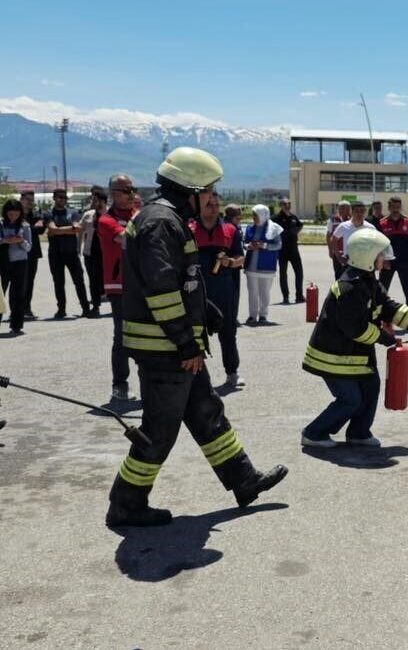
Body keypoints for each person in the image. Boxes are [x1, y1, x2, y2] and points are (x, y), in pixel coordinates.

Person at [106, 146, 287, 528]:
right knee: (159, 429)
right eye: (207, 190)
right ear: (190, 190)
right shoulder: (161, 222)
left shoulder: (166, 218)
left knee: (206, 412)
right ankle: (126, 502)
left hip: (175, 346)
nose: (210, 197)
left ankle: (244, 480)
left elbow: (178, 281)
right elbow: (161, 290)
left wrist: (204, 312)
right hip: (166, 349)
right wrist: (185, 341)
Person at [300, 228, 408, 449]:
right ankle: (314, 433)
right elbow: (356, 329)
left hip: (354, 354)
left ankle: (359, 433)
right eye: (380, 254)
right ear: (368, 257)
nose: (384, 258)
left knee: (371, 387)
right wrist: (386, 338)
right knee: (351, 399)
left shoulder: (367, 280)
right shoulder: (349, 287)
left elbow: (389, 307)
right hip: (333, 356)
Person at [190, 192, 245, 386]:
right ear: (200, 206)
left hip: (224, 289)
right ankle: (195, 376)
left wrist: (230, 262)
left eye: (216, 205)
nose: (214, 209)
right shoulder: (189, 229)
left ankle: (232, 372)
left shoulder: (230, 229)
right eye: (209, 205)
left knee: (228, 333)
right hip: (196, 291)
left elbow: (241, 258)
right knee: (195, 335)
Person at [98, 175, 139, 401]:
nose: (132, 194)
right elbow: (126, 239)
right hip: (119, 286)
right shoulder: (106, 220)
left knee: (147, 334)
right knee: (122, 336)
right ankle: (119, 384)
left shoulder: (137, 214)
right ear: (114, 193)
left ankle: (150, 382)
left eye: (133, 189)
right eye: (127, 190)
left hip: (141, 284)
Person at [46, 188, 90, 319]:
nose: (62, 200)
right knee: (59, 283)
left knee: (79, 281)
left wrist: (60, 230)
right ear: (54, 198)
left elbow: (78, 228)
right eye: (60, 197)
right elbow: (52, 229)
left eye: (64, 197)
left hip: (71, 252)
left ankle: (86, 308)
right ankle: (61, 309)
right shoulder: (49, 213)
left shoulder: (73, 212)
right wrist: (70, 229)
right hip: (56, 253)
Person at [243, 204, 282, 325]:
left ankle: (263, 315)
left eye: (256, 215)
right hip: (251, 267)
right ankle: (252, 316)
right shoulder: (249, 228)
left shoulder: (274, 228)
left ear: (262, 215)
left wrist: (264, 245)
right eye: (253, 215)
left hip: (267, 267)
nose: (253, 218)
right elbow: (244, 242)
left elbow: (278, 245)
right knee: (252, 293)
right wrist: (248, 246)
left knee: (264, 293)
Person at [0, 199, 33, 335]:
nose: (13, 217)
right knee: (0, 294)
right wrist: (5, 240)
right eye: (10, 214)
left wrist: (21, 241)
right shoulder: (1, 224)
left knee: (18, 294)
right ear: (5, 213)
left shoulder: (25, 226)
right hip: (3, 262)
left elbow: (29, 247)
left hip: (20, 262)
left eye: (16, 214)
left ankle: (16, 324)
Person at [378, 196, 408, 308]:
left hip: (405, 261)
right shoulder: (382, 223)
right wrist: (382, 259)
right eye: (393, 207)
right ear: (389, 207)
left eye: (398, 207)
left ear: (401, 207)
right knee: (382, 291)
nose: (395, 209)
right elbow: (378, 242)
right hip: (387, 262)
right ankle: (379, 316)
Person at [80, 185, 107, 317]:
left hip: (106, 254)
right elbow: (80, 230)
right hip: (90, 253)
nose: (94, 203)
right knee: (93, 280)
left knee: (106, 280)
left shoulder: (110, 215)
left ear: (103, 202)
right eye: (93, 200)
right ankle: (96, 306)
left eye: (96, 200)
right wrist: (78, 249)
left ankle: (116, 305)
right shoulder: (88, 215)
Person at [272, 197, 304, 304]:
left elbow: (300, 225)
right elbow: (270, 229)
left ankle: (299, 296)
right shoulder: (276, 218)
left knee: (299, 272)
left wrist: (294, 233)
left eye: (289, 203)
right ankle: (285, 297)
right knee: (283, 274)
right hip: (282, 250)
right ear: (280, 205)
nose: (287, 206)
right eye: (285, 204)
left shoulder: (293, 217)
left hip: (294, 250)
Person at [332, 200, 376, 275]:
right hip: (349, 262)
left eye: (362, 211)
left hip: (366, 263)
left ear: (365, 213)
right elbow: (333, 240)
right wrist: (339, 257)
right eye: (357, 211)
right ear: (352, 212)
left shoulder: (370, 227)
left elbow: (376, 244)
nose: (359, 214)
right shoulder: (344, 226)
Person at [20, 190, 44, 321]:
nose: (30, 202)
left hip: (33, 253)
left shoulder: (35, 214)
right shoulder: (16, 214)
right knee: (19, 282)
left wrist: (34, 227)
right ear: (21, 199)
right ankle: (17, 310)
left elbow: (41, 230)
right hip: (18, 252)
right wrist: (33, 227)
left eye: (32, 200)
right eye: (28, 199)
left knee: (29, 281)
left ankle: (27, 308)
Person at [223, 203, 244, 320]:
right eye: (238, 218)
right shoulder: (231, 228)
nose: (240, 220)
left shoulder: (231, 226)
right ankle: (231, 318)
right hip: (231, 266)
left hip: (229, 265)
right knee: (233, 295)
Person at [326, 200, 350, 278]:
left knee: (349, 274)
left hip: (349, 253)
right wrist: (330, 250)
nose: (344, 210)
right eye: (341, 208)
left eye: (347, 208)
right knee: (338, 273)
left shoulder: (352, 220)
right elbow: (328, 236)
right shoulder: (332, 220)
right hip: (337, 252)